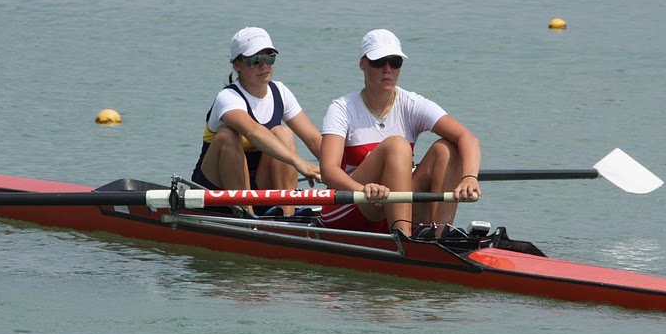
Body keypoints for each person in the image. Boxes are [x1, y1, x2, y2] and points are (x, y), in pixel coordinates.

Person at [319, 29, 481, 237]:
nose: (388, 69)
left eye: (395, 62)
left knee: (447, 149)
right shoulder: (342, 108)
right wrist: (362, 189)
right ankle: (404, 237)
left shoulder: (411, 103)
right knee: (397, 145)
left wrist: (469, 178)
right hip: (349, 206)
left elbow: (468, 138)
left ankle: (439, 235)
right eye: (379, 62)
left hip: (391, 202)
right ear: (363, 64)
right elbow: (328, 171)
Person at [192, 27, 322, 216]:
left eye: (269, 57)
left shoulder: (280, 92)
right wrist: (300, 163)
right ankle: (246, 214)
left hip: (260, 186)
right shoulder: (227, 98)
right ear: (237, 65)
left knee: (283, 133)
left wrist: (346, 174)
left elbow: (314, 139)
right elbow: (253, 131)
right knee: (228, 135)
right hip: (215, 188)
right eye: (255, 60)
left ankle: (287, 216)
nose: (264, 65)